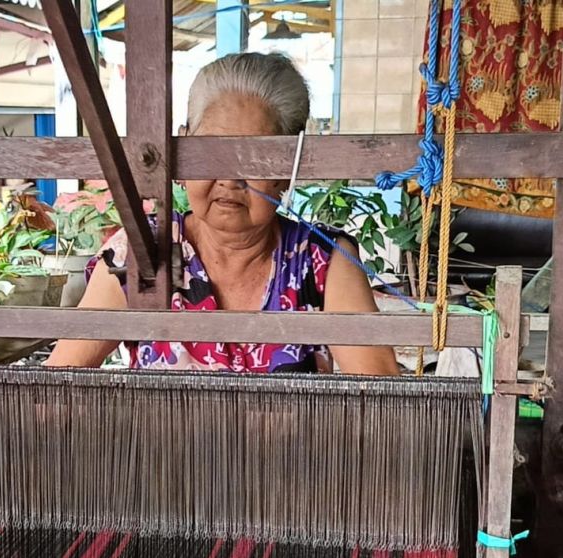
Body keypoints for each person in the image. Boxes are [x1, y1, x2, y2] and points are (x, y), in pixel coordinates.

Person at [46, 53, 399, 376]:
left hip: (294, 447)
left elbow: (382, 400)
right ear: (182, 151)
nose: (230, 179)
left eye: (254, 159)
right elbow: (52, 387)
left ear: (286, 170)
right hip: (164, 447)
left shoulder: (323, 261)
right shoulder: (142, 251)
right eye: (212, 154)